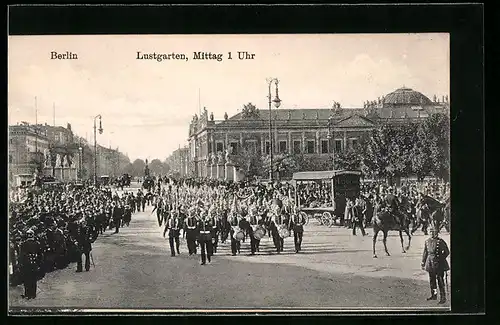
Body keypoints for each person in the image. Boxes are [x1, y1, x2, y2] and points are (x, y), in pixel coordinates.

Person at [421, 225, 450, 304]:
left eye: (433, 232)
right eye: (430, 232)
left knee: (440, 281)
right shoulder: (427, 241)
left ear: (436, 233)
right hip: (430, 263)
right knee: (432, 281)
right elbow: (425, 253)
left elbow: (447, 252)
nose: (431, 233)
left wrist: (441, 259)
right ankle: (434, 295)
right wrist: (423, 262)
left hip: (439, 264)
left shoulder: (440, 241)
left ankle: (443, 297)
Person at [19, 229, 41, 299]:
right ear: (33, 235)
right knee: (33, 279)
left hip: (26, 264)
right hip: (34, 263)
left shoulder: (23, 244)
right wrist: (39, 263)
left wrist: (21, 264)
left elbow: (21, 255)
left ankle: (27, 294)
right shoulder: (37, 243)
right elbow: (40, 254)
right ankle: (33, 294)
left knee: (27, 279)